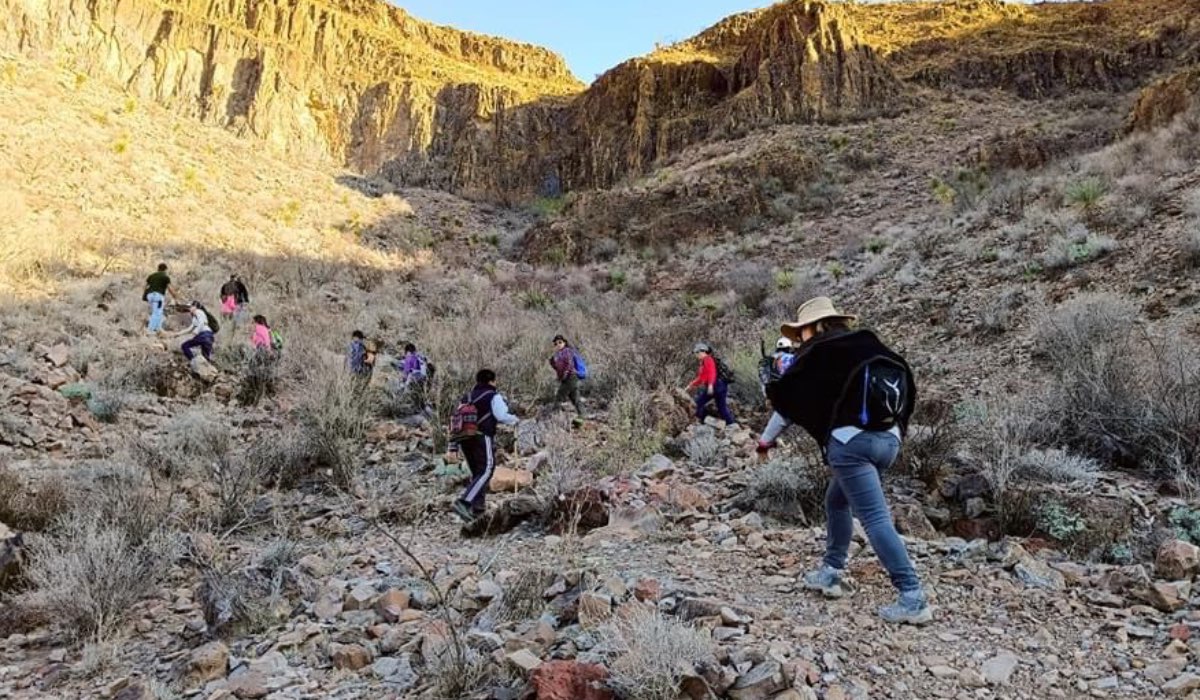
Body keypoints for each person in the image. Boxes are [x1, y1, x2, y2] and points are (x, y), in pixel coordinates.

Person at [758, 297, 929, 625]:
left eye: (801, 332)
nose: (799, 340)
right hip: (889, 441)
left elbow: (788, 405)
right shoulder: (868, 343)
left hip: (852, 445)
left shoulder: (820, 353)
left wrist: (765, 440)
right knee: (836, 501)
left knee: (875, 519)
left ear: (814, 326)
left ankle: (912, 596)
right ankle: (831, 571)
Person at [452, 369, 519, 521]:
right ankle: (464, 502)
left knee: (477, 473)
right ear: (492, 381)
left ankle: (478, 510)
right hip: (482, 436)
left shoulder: (466, 397)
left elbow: (455, 420)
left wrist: (453, 446)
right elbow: (501, 415)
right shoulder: (493, 396)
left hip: (464, 438)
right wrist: (515, 419)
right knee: (487, 470)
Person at [687, 342, 736, 427]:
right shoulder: (705, 361)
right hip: (721, 386)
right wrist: (691, 385)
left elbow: (712, 373)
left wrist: (710, 385)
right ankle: (732, 425)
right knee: (722, 408)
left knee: (697, 404)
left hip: (715, 386)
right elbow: (701, 378)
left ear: (702, 352)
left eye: (696, 353)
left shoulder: (707, 359)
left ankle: (701, 421)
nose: (696, 355)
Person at [549, 335, 585, 418]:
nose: (558, 344)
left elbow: (569, 364)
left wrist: (565, 375)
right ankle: (582, 416)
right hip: (569, 378)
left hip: (570, 377)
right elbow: (558, 368)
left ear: (564, 342)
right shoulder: (559, 354)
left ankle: (554, 416)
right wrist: (552, 363)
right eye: (556, 343)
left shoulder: (567, 351)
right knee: (574, 398)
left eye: (560, 342)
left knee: (559, 396)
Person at [176, 301, 215, 368]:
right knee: (206, 358)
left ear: (195, 307)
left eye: (190, 307)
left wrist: (195, 333)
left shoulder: (198, 311)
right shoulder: (195, 317)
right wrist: (177, 334)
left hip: (204, 334)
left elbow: (201, 322)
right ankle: (206, 371)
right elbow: (189, 329)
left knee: (185, 346)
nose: (189, 309)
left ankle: (194, 362)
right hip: (209, 336)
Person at [143, 263, 177, 334]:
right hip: (158, 296)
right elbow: (169, 288)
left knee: (158, 312)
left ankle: (158, 329)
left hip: (149, 296)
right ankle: (150, 330)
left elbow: (145, 286)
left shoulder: (151, 276)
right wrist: (174, 295)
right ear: (165, 270)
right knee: (156, 313)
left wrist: (146, 295)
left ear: (158, 269)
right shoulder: (165, 277)